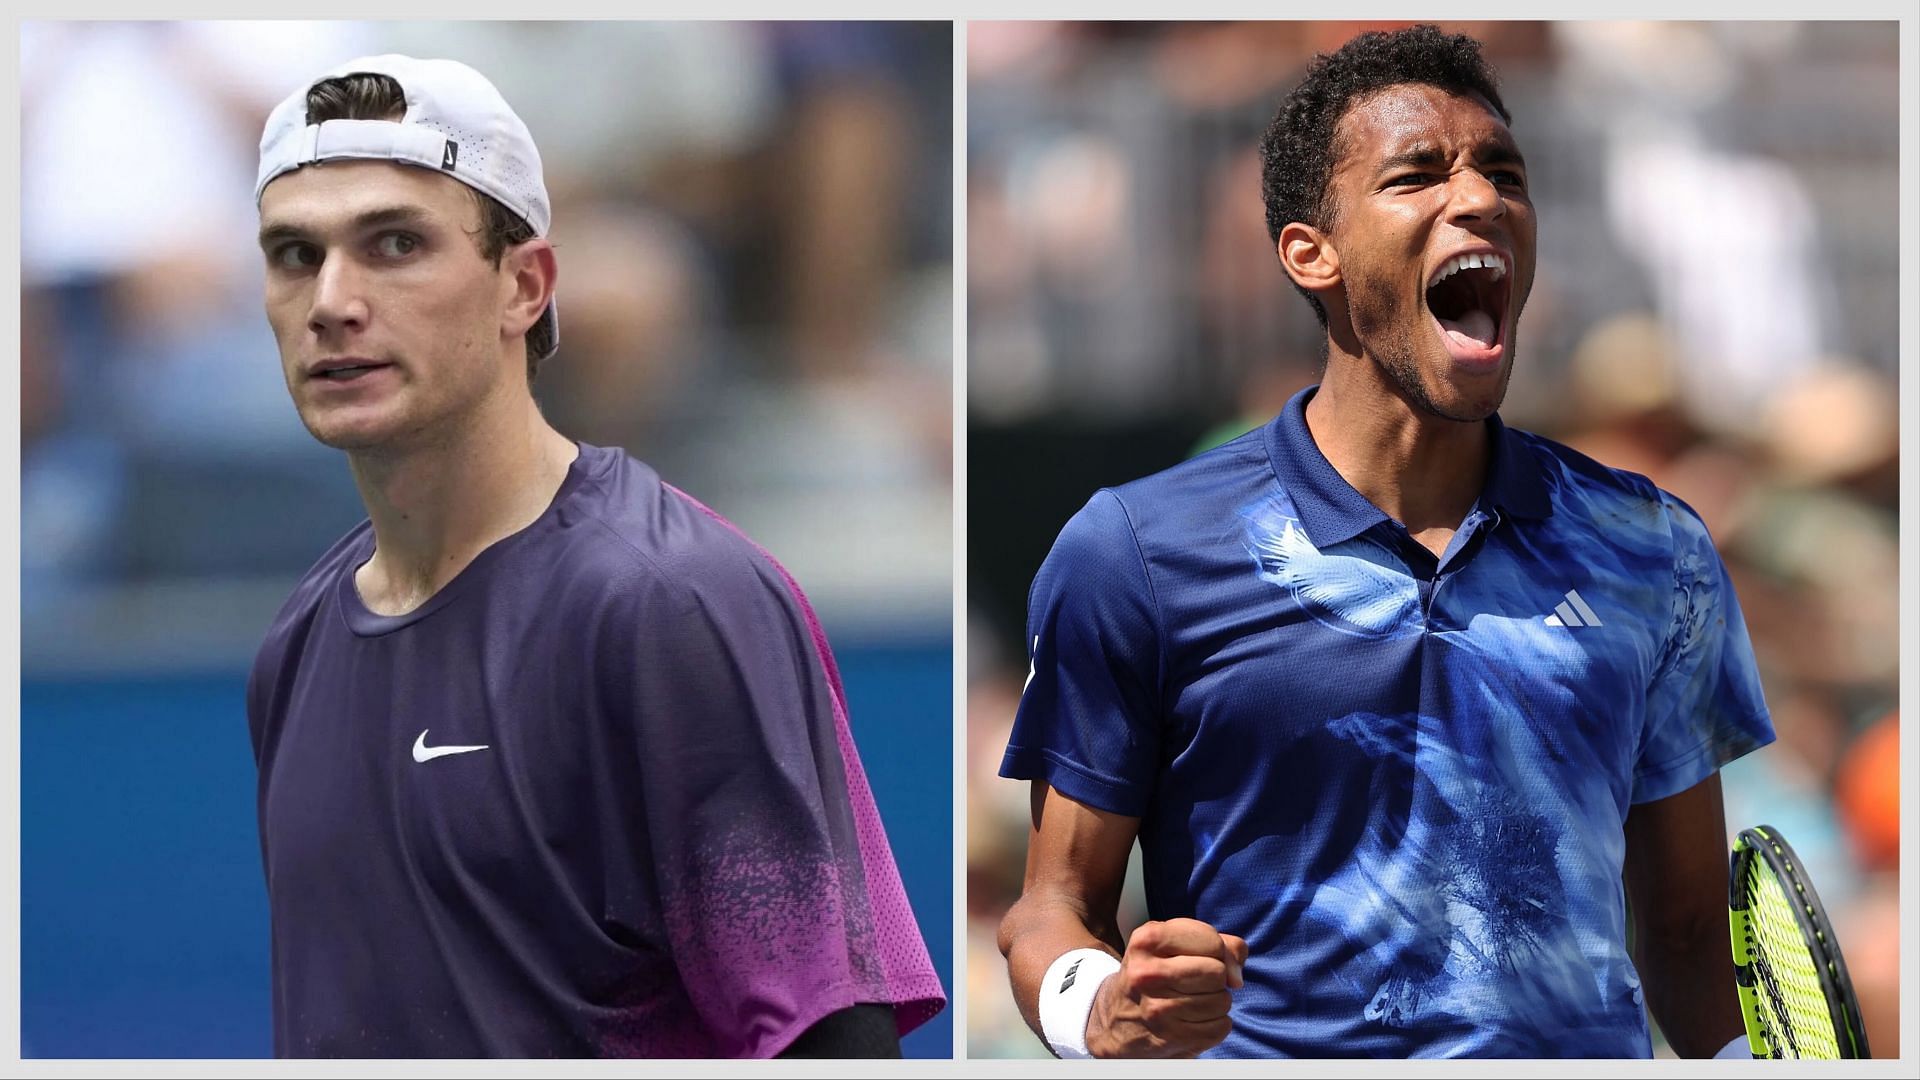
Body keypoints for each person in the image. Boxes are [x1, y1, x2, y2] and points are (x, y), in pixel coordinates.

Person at [997, 26, 1773, 1059]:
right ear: (1309, 253)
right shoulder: (1134, 549)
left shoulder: (1655, 548)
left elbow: (1684, 936)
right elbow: (1050, 913)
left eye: (1504, 172)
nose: (1482, 198)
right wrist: (1100, 1007)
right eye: (1419, 175)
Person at [245, 54, 943, 1058]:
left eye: (395, 244)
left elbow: (831, 1045)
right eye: (294, 256)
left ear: (523, 285)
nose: (333, 300)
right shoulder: (297, 639)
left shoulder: (673, 605)